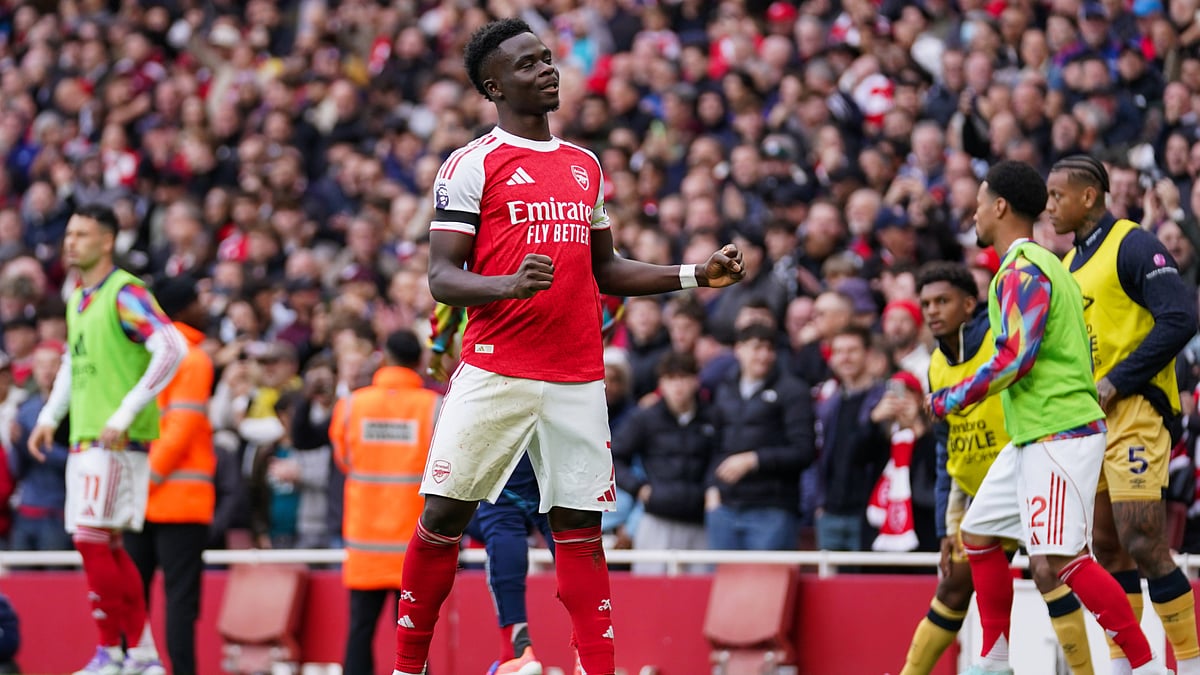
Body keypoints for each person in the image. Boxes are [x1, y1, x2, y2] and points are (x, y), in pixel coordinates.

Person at [392, 18, 744, 675]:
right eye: (527, 64)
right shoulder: (471, 164)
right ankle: (407, 666)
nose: (547, 70)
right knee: (443, 516)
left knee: (580, 531)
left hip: (577, 375)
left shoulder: (585, 167)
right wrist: (507, 284)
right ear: (494, 87)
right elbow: (441, 276)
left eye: (547, 58)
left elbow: (605, 269)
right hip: (496, 370)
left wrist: (696, 274)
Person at [927, 161, 1165, 675]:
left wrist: (951, 397)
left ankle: (1147, 666)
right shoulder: (1041, 264)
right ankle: (995, 661)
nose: (972, 214)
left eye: (978, 203)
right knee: (979, 533)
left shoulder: (1022, 269)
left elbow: (1015, 356)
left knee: (1065, 560)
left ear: (999, 207)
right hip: (1033, 434)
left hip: (1059, 432)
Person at [899, 261, 1093, 675]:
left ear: (970, 304)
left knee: (1047, 571)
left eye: (943, 301)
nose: (932, 311)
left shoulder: (998, 342)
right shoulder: (935, 365)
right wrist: (947, 524)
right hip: (978, 496)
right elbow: (945, 447)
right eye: (926, 304)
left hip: (1029, 477)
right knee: (953, 586)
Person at [1049, 155, 1200, 675]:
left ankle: (1192, 665)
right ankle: (1127, 668)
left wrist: (1118, 379)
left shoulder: (1133, 244)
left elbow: (1180, 317)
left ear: (1089, 195)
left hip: (1137, 409)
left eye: (1057, 196)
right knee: (1108, 549)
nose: (1049, 207)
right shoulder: (1068, 265)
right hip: (1089, 420)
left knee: (1143, 541)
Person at [28, 203, 187, 675]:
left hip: (115, 440)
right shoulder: (79, 297)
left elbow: (171, 346)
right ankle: (139, 655)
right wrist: (49, 416)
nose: (70, 242)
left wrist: (125, 412)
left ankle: (114, 651)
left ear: (108, 241)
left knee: (91, 539)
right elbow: (73, 364)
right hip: (85, 436)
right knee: (104, 544)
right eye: (69, 234)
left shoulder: (124, 292)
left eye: (82, 234)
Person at [330, 330, 440, 675]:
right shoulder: (432, 407)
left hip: (366, 545)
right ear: (419, 362)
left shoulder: (352, 405)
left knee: (360, 631)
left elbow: (344, 460)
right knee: (414, 636)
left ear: (384, 358)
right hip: (414, 545)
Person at [124, 275, 216, 675]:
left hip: (138, 499)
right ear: (183, 308)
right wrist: (150, 479)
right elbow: (181, 427)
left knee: (132, 598)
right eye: (197, 300)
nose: (204, 308)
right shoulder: (192, 358)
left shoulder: (140, 356)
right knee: (180, 603)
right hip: (178, 502)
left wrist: (136, 485)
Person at [11, 342, 72, 552]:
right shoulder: (26, 409)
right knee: (18, 572)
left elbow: (75, 460)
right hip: (26, 510)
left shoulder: (76, 410)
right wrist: (17, 443)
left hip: (59, 511)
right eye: (40, 365)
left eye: (53, 364)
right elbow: (17, 469)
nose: (46, 371)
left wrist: (35, 445)